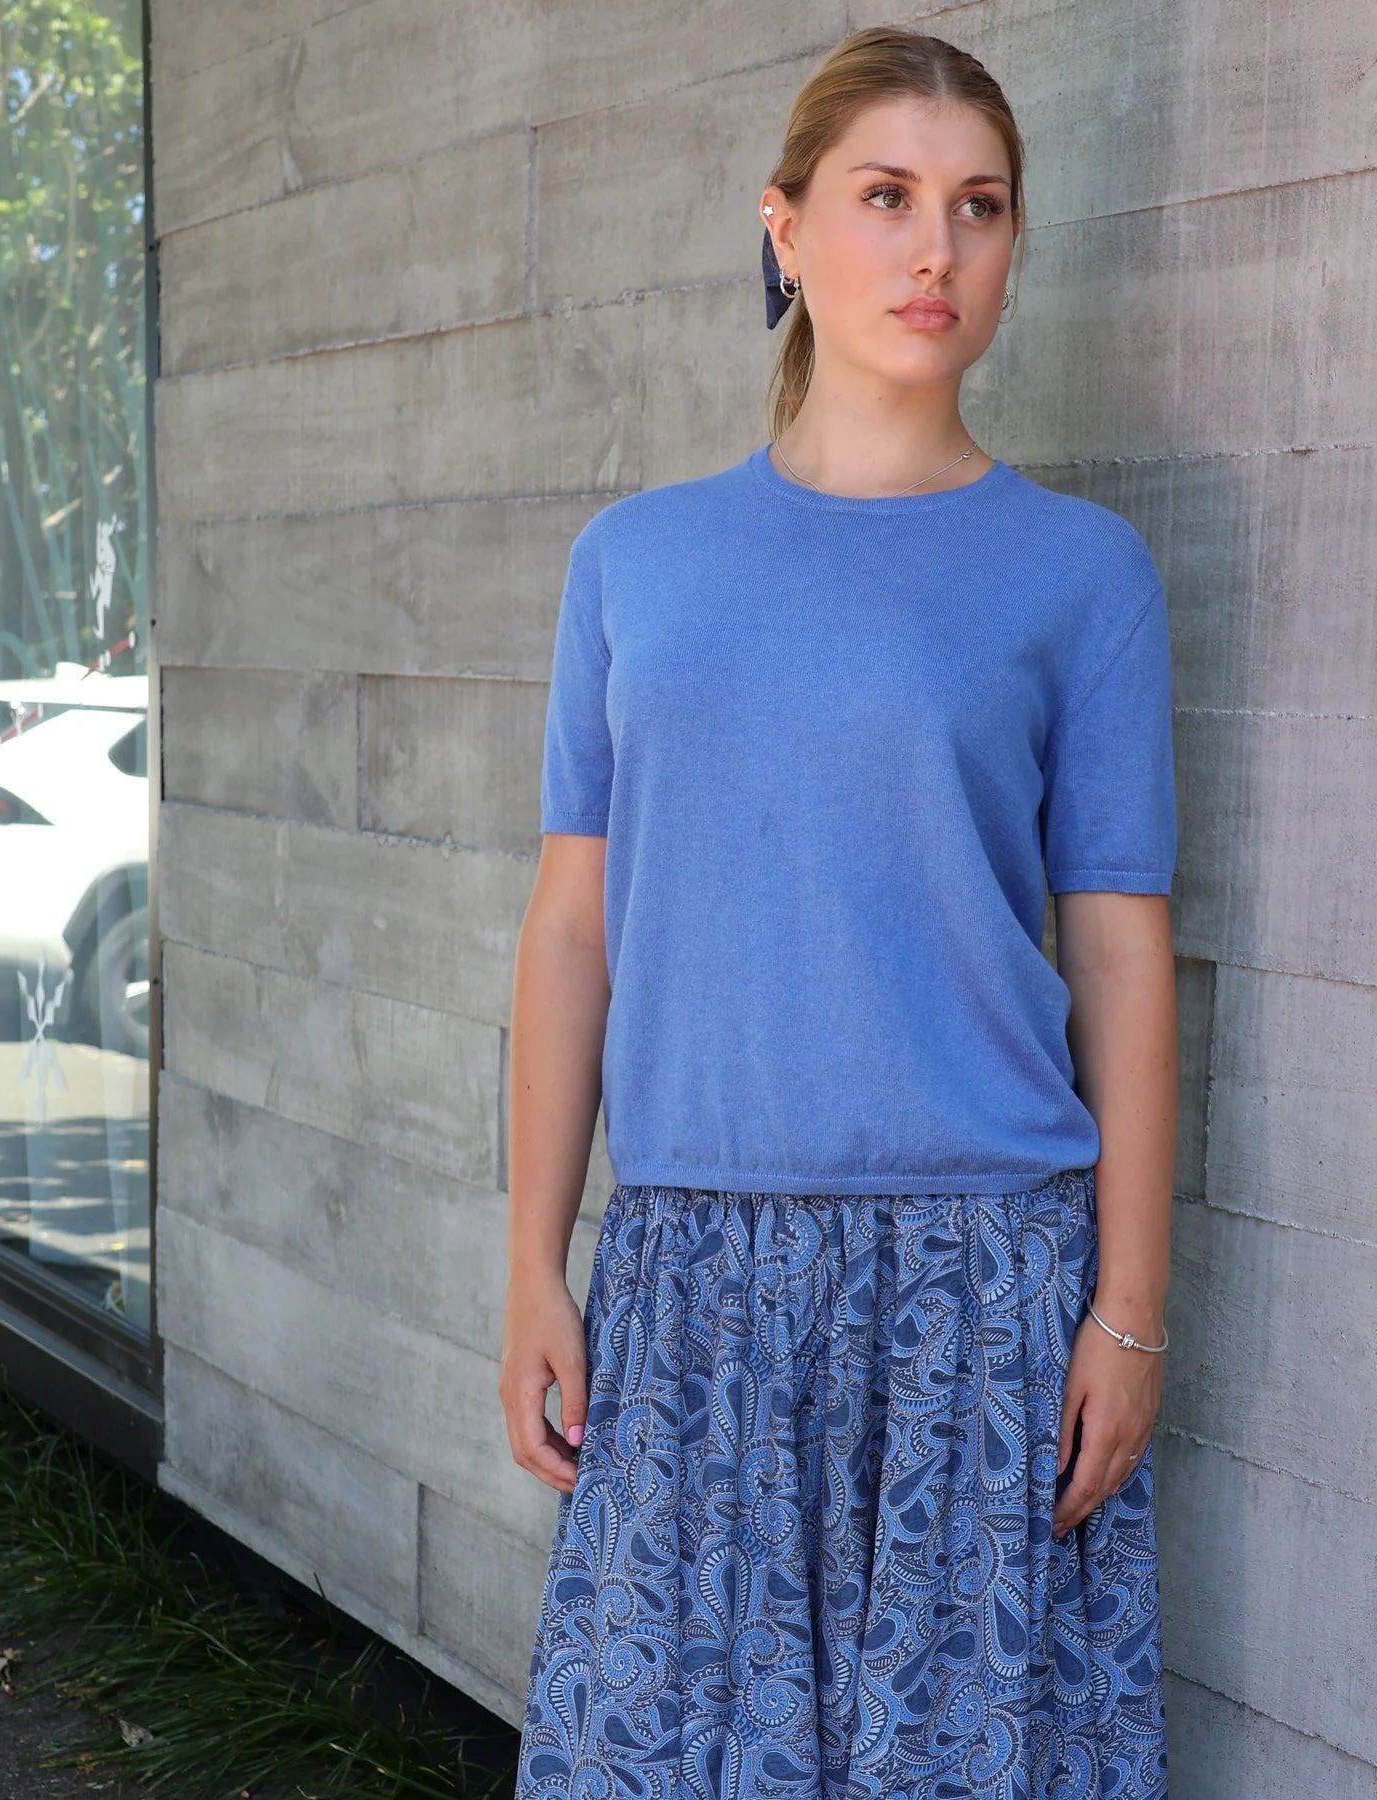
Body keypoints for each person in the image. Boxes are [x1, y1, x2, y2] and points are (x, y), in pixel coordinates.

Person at [500, 24, 1177, 1799]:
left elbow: (1120, 953)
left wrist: (1128, 1312)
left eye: (981, 206)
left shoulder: (1082, 575)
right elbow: (572, 929)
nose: (937, 249)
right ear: (784, 227)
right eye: (887, 197)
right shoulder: (633, 562)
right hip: (694, 1284)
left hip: (980, 1295)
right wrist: (532, 1263)